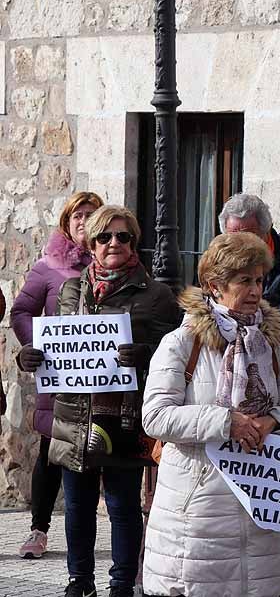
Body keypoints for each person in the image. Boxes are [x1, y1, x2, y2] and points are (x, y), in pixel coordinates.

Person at [17, 205, 180, 597]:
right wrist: (28, 356)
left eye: (123, 237)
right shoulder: (72, 290)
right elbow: (55, 342)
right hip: (75, 412)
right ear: (90, 243)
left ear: (134, 243)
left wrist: (145, 353)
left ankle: (122, 583)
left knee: (123, 505)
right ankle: (80, 581)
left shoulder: (155, 295)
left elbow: (176, 352)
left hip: (122, 415)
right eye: (105, 236)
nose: (113, 244)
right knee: (77, 506)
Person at [140, 232, 280, 597]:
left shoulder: (271, 344)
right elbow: (155, 417)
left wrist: (272, 420)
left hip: (258, 513)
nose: (254, 290)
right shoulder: (182, 342)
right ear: (215, 286)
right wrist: (225, 422)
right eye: (243, 280)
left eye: (259, 280)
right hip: (196, 520)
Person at [219, 192, 280, 597]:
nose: (235, 247)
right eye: (228, 238)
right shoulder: (219, 266)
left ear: (264, 234)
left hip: (274, 398)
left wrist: (257, 352)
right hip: (226, 407)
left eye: (243, 238)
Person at [10, 191, 104, 560]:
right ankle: (39, 529)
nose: (83, 220)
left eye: (91, 214)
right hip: (60, 376)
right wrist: (38, 345)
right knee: (51, 448)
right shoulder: (49, 267)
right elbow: (21, 310)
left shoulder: (114, 264)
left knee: (102, 449)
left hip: (101, 380)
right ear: (67, 222)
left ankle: (91, 532)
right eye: (77, 214)